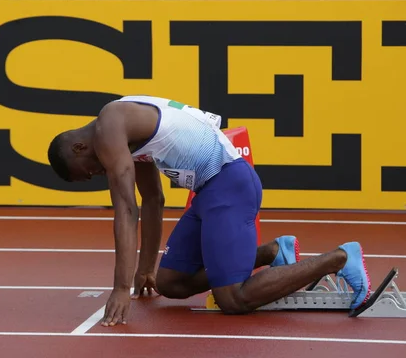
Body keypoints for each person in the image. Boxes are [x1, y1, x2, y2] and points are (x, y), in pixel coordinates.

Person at [47, 95, 372, 327]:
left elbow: (126, 211)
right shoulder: (126, 128)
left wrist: (121, 289)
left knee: (233, 298)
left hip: (230, 183)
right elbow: (151, 199)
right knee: (170, 283)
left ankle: (340, 258)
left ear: (79, 147)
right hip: (209, 191)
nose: (96, 173)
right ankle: (275, 251)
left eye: (87, 171)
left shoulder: (109, 128)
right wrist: (144, 270)